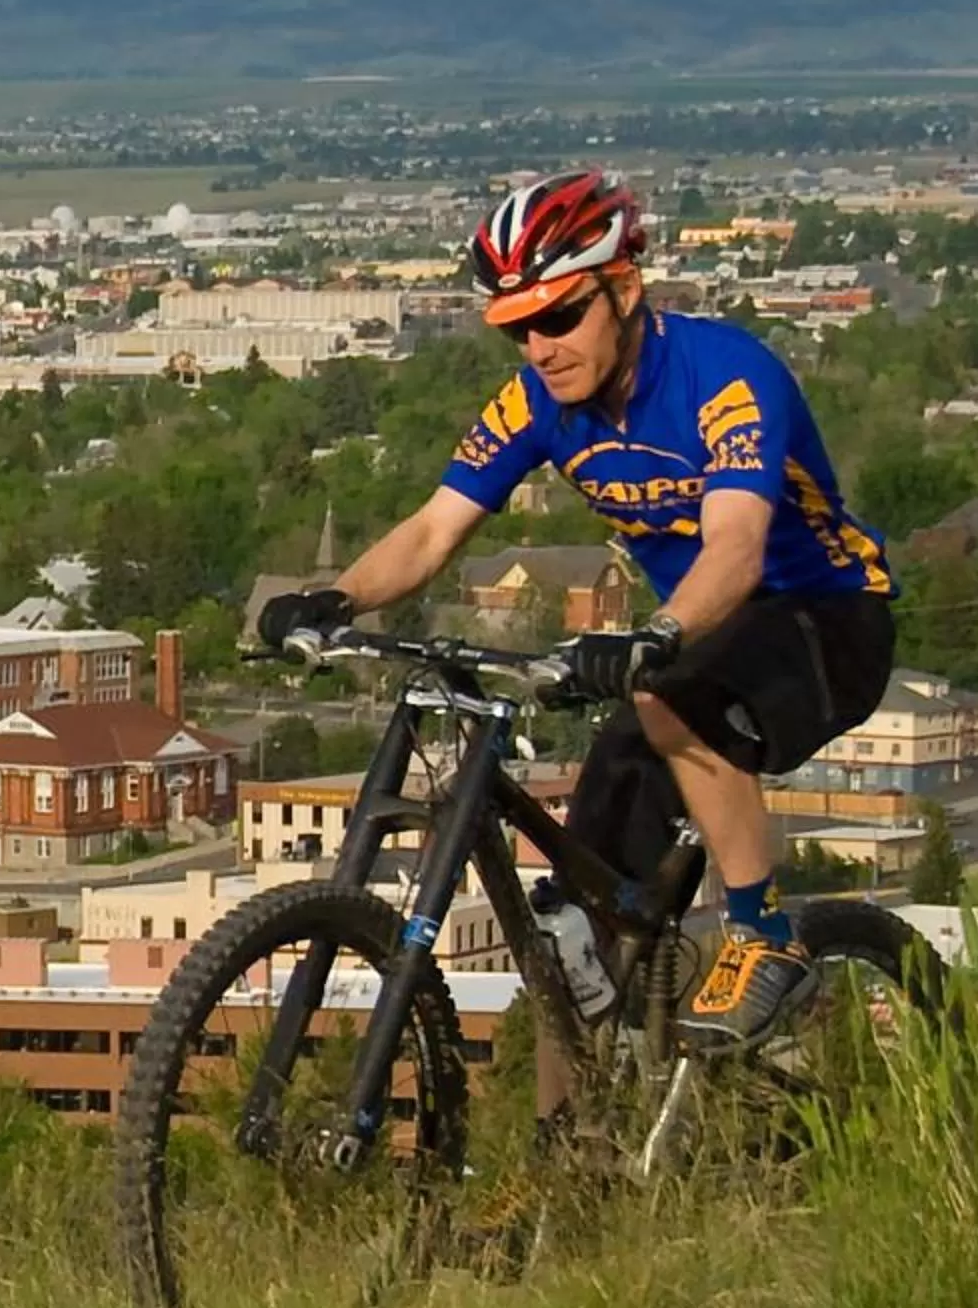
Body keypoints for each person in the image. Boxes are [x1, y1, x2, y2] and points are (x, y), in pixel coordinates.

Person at [258, 171, 895, 1050]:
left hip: (825, 617)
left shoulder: (727, 377)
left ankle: (765, 936)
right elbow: (434, 528)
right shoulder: (539, 403)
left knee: (670, 698)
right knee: (573, 913)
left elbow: (737, 549)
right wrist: (334, 597)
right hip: (688, 643)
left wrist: (657, 634)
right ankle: (591, 1128)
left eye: (559, 318)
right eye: (517, 328)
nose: (540, 347)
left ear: (624, 288)